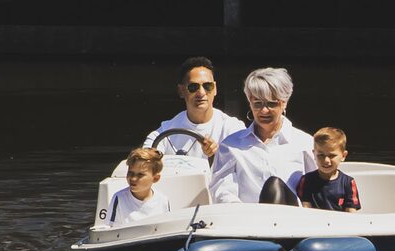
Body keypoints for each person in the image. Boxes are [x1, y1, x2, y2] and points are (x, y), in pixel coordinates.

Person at [210, 67, 315, 204]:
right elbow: (222, 190)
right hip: (247, 221)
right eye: (257, 104)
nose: (264, 111)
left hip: (292, 221)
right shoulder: (231, 145)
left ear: (284, 103)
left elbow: (317, 189)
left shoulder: (304, 143)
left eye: (271, 103)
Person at [149, 58, 245, 166]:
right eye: (193, 87)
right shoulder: (164, 130)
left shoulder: (233, 129)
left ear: (215, 89)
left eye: (208, 86)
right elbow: (145, 160)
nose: (201, 93)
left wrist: (219, 155)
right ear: (181, 91)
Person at [297, 126, 361, 212]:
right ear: (314, 154)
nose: (326, 160)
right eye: (321, 155)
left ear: (343, 156)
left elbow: (351, 212)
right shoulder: (306, 180)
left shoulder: (348, 183)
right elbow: (304, 209)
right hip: (313, 223)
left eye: (332, 156)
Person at [104, 145, 171, 225]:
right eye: (130, 173)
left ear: (155, 178)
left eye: (140, 175)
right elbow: (110, 229)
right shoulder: (119, 198)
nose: (133, 178)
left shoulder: (163, 200)